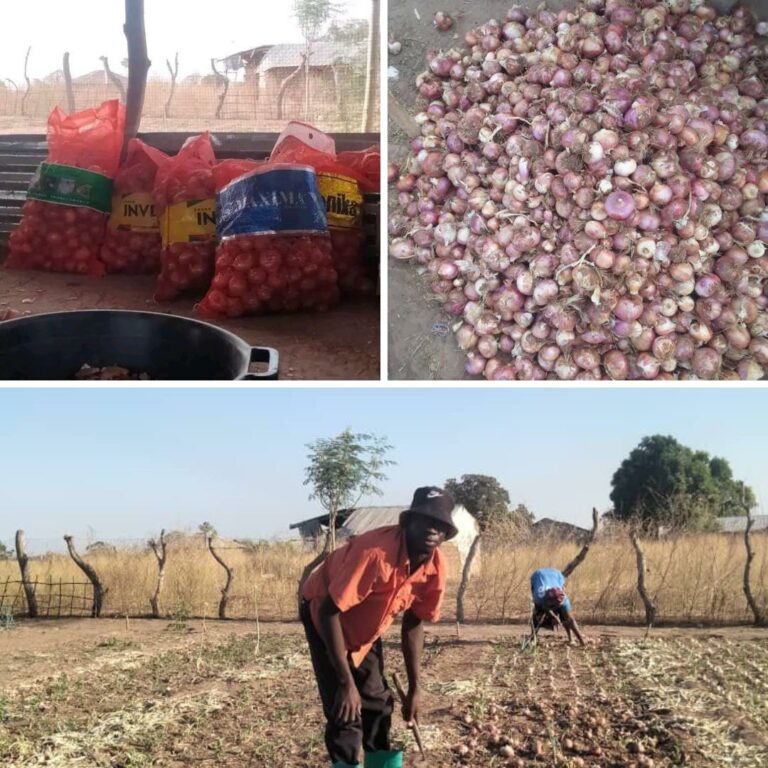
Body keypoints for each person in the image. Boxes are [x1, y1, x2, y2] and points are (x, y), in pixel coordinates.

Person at [300, 486, 458, 768]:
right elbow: (329, 611)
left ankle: (379, 762)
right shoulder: (375, 554)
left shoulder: (435, 569)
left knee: (377, 701)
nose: (432, 528)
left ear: (446, 534)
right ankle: (346, 762)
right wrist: (346, 681)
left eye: (440, 524)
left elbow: (413, 623)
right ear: (408, 522)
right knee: (346, 711)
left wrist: (415, 689)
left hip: (366, 627)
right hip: (325, 614)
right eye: (425, 519)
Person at [529, 567, 586, 647]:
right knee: (537, 615)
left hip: (557, 575)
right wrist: (554, 616)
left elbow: (571, 620)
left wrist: (582, 641)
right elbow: (544, 607)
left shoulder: (564, 600)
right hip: (538, 575)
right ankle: (533, 637)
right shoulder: (539, 597)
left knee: (565, 615)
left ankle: (571, 638)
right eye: (552, 605)